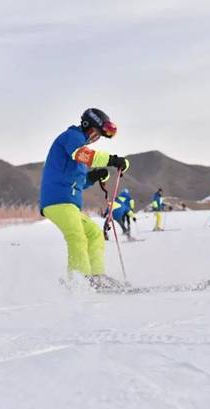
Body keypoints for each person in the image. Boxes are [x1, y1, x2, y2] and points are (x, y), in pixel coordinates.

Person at [39, 108, 129, 288]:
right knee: (77, 237)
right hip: (58, 201)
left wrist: (93, 177)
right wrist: (112, 160)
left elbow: (78, 183)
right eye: (94, 133)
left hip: (68, 204)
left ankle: (97, 277)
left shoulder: (78, 152)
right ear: (86, 126)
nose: (94, 138)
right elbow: (83, 155)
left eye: (97, 137)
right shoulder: (72, 137)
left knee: (94, 234)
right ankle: (78, 280)